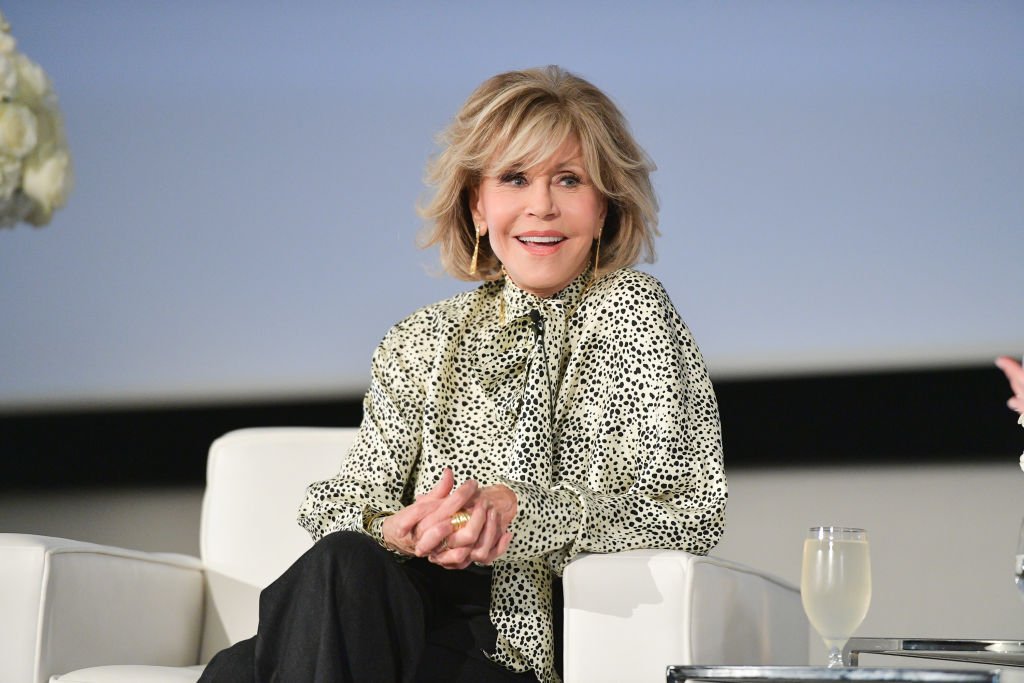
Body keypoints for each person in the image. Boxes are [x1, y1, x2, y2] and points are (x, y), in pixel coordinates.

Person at [199, 65, 726, 683]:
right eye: (514, 179)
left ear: (605, 204)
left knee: (243, 671)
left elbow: (683, 509)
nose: (542, 206)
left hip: (514, 639)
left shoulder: (633, 311)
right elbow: (340, 503)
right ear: (477, 205)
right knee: (343, 561)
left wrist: (514, 513)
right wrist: (391, 529)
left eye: (569, 179)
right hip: (390, 609)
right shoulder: (418, 339)